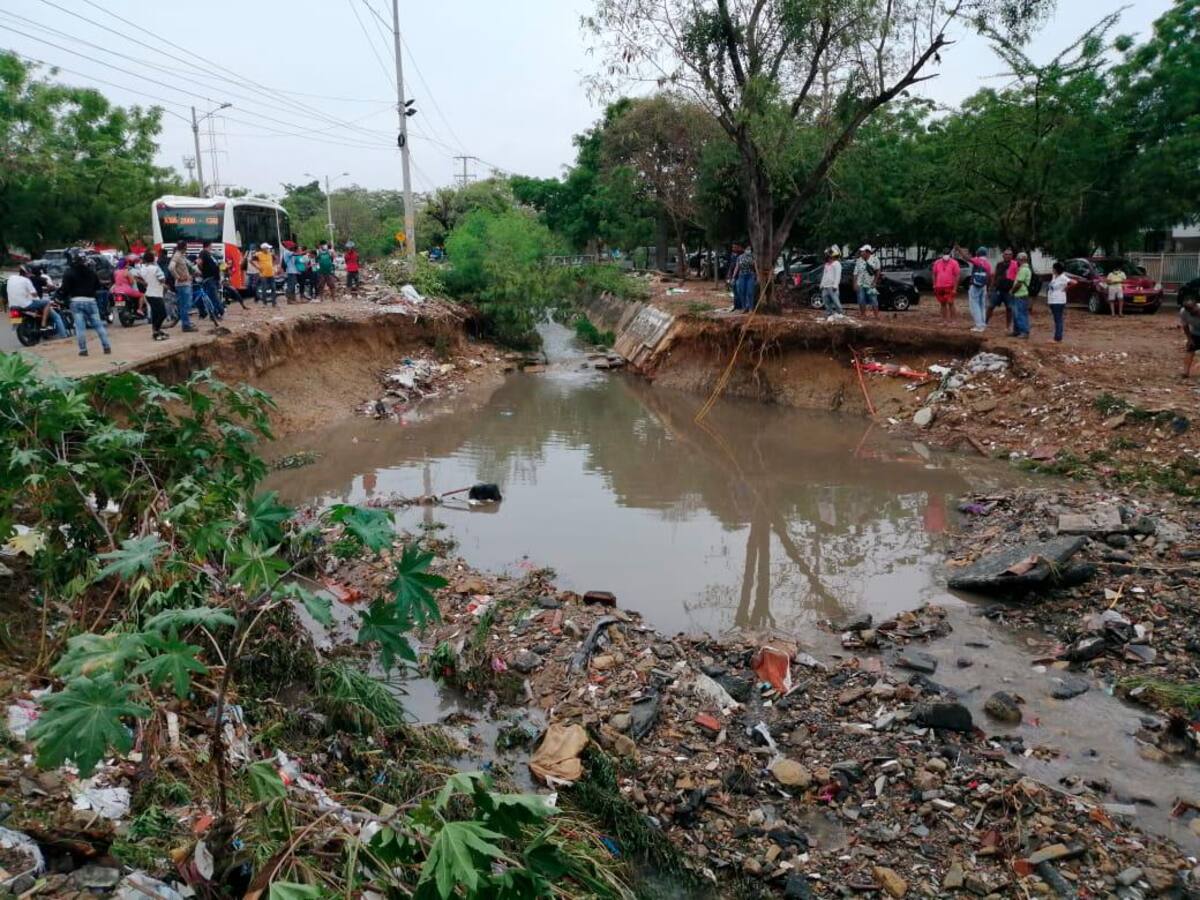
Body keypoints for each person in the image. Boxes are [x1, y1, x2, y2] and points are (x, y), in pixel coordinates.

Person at [60, 250, 111, 356]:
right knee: (98, 326)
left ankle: (83, 350)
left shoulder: (68, 272)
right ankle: (106, 347)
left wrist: (63, 298)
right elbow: (97, 286)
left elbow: (65, 289)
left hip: (76, 302)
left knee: (80, 328)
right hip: (91, 301)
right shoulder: (91, 272)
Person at [5, 265, 67, 337]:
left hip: (13, 305)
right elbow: (34, 294)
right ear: (26, 273)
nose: (30, 275)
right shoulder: (28, 280)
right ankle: (44, 326)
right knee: (50, 308)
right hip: (27, 304)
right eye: (28, 273)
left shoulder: (11, 278)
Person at [135, 250, 170, 341]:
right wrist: (164, 284)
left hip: (148, 294)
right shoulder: (155, 268)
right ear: (153, 258)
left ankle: (156, 331)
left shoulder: (143, 269)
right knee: (162, 314)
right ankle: (156, 331)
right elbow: (162, 279)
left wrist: (145, 283)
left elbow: (137, 277)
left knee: (155, 313)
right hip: (156, 294)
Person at [963, 246, 993, 332]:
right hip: (983, 286)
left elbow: (966, 258)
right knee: (982, 305)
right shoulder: (988, 263)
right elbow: (989, 276)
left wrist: (959, 250)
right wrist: (988, 287)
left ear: (978, 253)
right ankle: (982, 324)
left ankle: (978, 325)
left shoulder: (977, 260)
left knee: (974, 305)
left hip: (975, 285)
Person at [987, 248, 1016, 333]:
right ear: (1003, 255)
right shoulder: (999, 264)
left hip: (1009, 291)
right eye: (1006, 254)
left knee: (1009, 308)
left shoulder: (1014, 265)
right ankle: (985, 323)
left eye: (1009, 254)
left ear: (1012, 256)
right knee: (990, 306)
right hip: (998, 289)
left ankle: (1008, 326)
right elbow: (995, 276)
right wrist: (991, 288)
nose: (1007, 256)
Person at [197, 240, 224, 320]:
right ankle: (217, 313)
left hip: (214, 278)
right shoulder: (203, 253)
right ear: (208, 245)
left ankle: (216, 313)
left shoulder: (210, 254)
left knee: (214, 296)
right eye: (211, 245)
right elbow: (199, 263)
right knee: (213, 297)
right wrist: (203, 271)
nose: (212, 246)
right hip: (209, 278)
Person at [931, 249, 960, 323]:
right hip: (939, 286)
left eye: (947, 254)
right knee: (942, 303)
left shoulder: (954, 263)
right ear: (942, 254)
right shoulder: (937, 263)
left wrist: (955, 288)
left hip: (950, 286)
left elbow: (957, 275)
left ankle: (953, 320)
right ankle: (944, 320)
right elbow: (934, 274)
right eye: (944, 254)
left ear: (949, 254)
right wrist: (934, 285)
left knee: (951, 303)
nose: (945, 255)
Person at [853, 245, 880, 319]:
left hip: (870, 283)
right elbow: (855, 273)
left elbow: (878, 271)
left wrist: (875, 282)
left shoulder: (875, 259)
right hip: (860, 283)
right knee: (861, 299)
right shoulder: (859, 260)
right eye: (861, 251)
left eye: (863, 251)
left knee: (874, 299)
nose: (861, 253)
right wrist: (855, 283)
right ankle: (863, 315)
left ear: (868, 252)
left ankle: (876, 316)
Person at [1010, 252, 1033, 338]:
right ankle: (1017, 331)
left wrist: (1012, 291)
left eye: (1018, 259)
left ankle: (1024, 331)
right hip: (1020, 294)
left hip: (1021, 294)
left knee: (1020, 313)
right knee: (1017, 313)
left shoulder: (1023, 269)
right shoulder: (1024, 269)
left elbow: (1019, 283)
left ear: (1021, 259)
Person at [1047, 261, 1068, 343]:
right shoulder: (1054, 276)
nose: (1052, 269)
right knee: (1057, 319)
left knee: (1058, 319)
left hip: (1059, 300)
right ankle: (1057, 337)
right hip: (1053, 300)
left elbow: (1073, 282)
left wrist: (1066, 288)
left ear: (1056, 269)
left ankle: (1058, 338)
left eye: (1053, 268)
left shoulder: (1063, 277)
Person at [819, 247, 843, 317]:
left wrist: (835, 285)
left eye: (827, 254)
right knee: (826, 301)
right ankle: (829, 313)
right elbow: (824, 275)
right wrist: (821, 284)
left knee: (836, 301)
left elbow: (837, 275)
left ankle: (840, 313)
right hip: (825, 286)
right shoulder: (826, 264)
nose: (826, 255)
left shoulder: (837, 264)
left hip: (832, 286)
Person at [1181, 298, 1200, 379]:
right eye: (1188, 310)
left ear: (1196, 306)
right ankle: (1185, 372)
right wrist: (1189, 339)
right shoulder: (1183, 312)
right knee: (1190, 349)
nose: (1191, 312)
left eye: (1192, 309)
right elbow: (1185, 326)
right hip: (1195, 332)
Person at [733, 244, 756, 312]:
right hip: (742, 276)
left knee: (750, 292)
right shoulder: (739, 257)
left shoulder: (752, 257)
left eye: (749, 249)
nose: (748, 250)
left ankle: (751, 308)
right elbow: (737, 267)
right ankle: (744, 307)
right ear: (744, 249)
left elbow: (755, 267)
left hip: (750, 275)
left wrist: (757, 276)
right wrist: (733, 276)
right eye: (747, 249)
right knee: (742, 292)